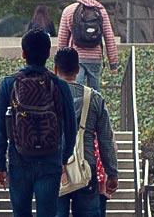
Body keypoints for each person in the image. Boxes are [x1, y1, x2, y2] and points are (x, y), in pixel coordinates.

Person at [0, 30, 77, 217]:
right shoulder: (59, 85)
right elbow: (71, 127)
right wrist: (64, 158)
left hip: (18, 158)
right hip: (50, 159)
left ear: (23, 53)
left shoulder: (9, 83)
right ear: (48, 54)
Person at [53, 48, 119, 216]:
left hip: (55, 167)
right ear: (77, 70)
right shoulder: (94, 98)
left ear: (55, 69)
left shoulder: (48, 96)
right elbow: (105, 139)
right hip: (86, 167)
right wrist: (112, 172)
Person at [56, 0, 120, 90]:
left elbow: (62, 39)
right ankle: (94, 107)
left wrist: (59, 62)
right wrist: (113, 63)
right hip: (95, 58)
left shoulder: (69, 10)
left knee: (76, 90)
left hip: (76, 58)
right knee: (94, 92)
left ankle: (77, 107)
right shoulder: (100, 10)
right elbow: (109, 37)